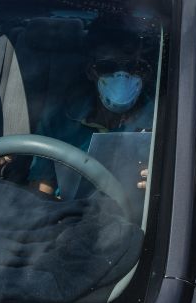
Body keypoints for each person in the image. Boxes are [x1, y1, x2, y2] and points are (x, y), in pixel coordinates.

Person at [29, 26, 155, 197]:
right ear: (91, 71)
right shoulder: (59, 119)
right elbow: (42, 188)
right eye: (108, 67)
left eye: (133, 67)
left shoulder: (162, 121)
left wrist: (157, 187)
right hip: (68, 217)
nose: (121, 77)